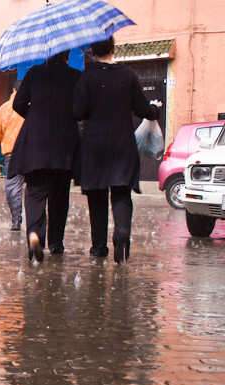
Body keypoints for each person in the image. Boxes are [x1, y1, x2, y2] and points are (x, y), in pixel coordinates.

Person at [73, 36, 161, 263]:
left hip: (94, 147)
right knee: (121, 194)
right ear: (113, 48)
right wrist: (154, 111)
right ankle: (122, 231)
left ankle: (99, 248)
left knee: (97, 198)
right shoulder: (128, 76)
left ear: (92, 50)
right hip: (123, 145)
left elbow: (78, 111)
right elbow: (142, 109)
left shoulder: (87, 76)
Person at [8, 50, 81, 262]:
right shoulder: (75, 76)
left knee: (35, 193)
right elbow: (80, 110)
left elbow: (18, 104)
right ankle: (56, 243)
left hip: (35, 146)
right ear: (67, 54)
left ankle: (35, 238)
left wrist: (36, 116)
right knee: (60, 196)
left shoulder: (34, 73)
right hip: (64, 148)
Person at [0, 81, 25, 231]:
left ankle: (16, 220)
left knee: (13, 187)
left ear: (13, 89)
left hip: (11, 154)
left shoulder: (3, 109)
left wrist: (2, 142)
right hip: (31, 152)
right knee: (37, 188)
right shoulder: (32, 106)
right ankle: (37, 222)